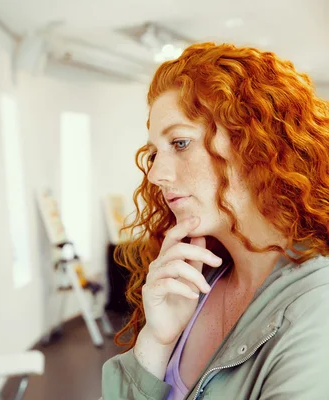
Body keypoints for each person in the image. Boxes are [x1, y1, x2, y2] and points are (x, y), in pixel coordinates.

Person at [101, 42, 329, 399]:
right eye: (153, 154)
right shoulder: (202, 276)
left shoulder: (318, 309)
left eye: (179, 143)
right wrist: (156, 342)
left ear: (256, 143)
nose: (156, 174)